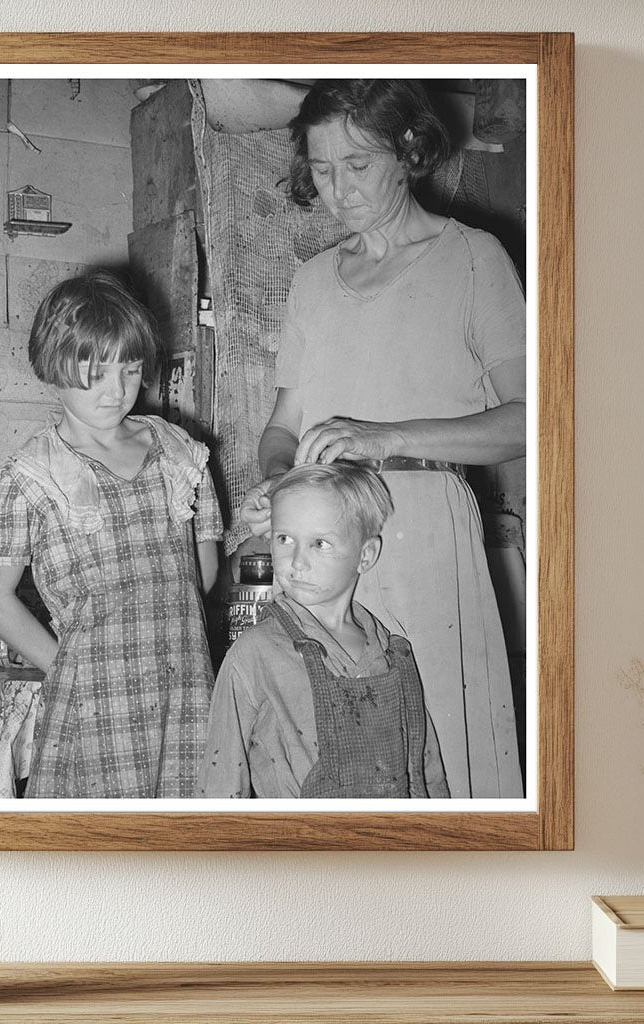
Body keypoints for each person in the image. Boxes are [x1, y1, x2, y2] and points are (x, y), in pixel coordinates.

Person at [240, 80, 526, 799]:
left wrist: (382, 436)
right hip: (323, 552)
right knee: (331, 755)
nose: (340, 190)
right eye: (323, 170)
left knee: (444, 751)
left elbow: (534, 418)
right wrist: (280, 487)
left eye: (358, 165)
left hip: (424, 541)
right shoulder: (310, 283)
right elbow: (281, 429)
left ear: (408, 151)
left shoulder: (474, 259)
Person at [0, 270, 222, 798]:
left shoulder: (181, 452)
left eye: (131, 370)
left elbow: (202, 572)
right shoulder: (30, 475)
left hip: (186, 695)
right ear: (52, 369)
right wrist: (68, 668)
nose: (116, 392)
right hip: (92, 707)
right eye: (94, 373)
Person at [199, 462, 450, 800]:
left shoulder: (393, 655)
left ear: (365, 555)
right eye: (285, 539)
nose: (297, 561)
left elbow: (426, 772)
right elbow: (221, 782)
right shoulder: (254, 653)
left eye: (319, 543)